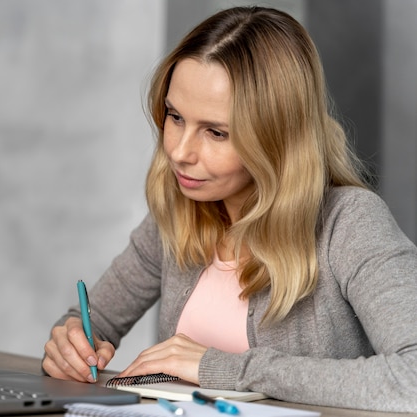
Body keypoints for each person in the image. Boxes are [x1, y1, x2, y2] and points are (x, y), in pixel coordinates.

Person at [42, 6, 417, 413]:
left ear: (278, 137)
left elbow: (412, 376)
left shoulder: (351, 223)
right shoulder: (180, 211)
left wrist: (222, 368)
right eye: (175, 116)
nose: (179, 152)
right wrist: (72, 342)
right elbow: (90, 321)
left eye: (216, 132)